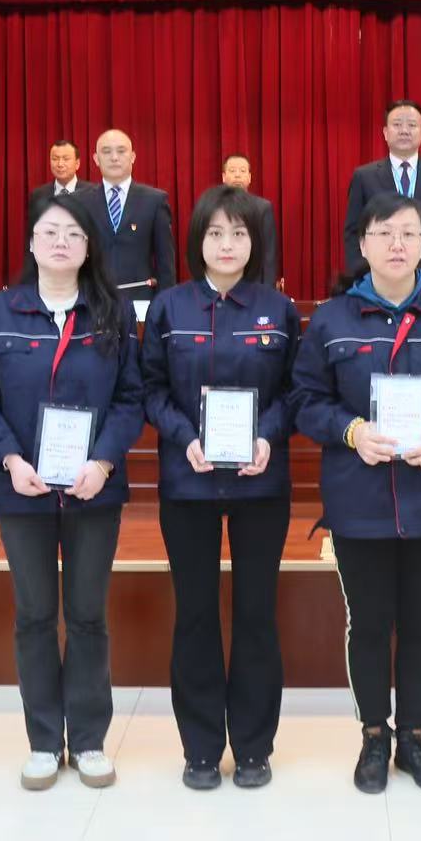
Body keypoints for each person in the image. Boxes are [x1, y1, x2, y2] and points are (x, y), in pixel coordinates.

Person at [290, 193, 421, 795]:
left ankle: (415, 737)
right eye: (384, 233)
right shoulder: (332, 319)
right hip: (359, 497)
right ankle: (374, 735)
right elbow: (305, 400)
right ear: (363, 244)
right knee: (370, 622)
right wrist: (350, 431)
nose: (397, 244)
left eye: (409, 233)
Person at [0, 195, 145, 791]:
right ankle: (43, 740)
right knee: (35, 615)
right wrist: (9, 459)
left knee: (87, 615)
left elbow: (131, 398)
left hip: (94, 489)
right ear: (32, 243)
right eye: (49, 232)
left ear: (89, 247)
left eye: (73, 234)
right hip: (23, 490)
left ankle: (87, 739)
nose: (60, 242)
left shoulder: (113, 312)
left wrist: (104, 460)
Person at [141, 186, 301, 790]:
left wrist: (267, 435)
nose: (227, 244)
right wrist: (184, 435)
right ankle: (202, 747)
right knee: (196, 614)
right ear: (197, 241)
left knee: (257, 613)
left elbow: (297, 391)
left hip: (261, 483)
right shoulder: (169, 308)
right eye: (215, 233)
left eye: (238, 233)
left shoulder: (278, 310)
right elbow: (150, 388)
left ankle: (255, 747)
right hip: (189, 483)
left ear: (254, 242)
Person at [341, 100, 421, 292]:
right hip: (378, 285)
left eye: (411, 125)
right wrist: (363, 276)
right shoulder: (364, 177)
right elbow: (353, 233)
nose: (404, 130)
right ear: (385, 133)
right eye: (397, 124)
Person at [75, 128, 176, 304]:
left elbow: (165, 262)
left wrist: (165, 306)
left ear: (133, 157)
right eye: (106, 151)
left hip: (141, 302)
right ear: (96, 159)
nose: (114, 157)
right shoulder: (79, 201)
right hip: (91, 301)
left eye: (121, 151)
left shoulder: (154, 200)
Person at [219, 153, 282, 286]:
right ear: (224, 177)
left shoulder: (262, 208)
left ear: (249, 177)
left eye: (242, 171)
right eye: (232, 171)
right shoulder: (213, 208)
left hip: (253, 285)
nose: (237, 175)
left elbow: (269, 255)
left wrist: (267, 291)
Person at [26, 139, 85, 222]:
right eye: (55, 159)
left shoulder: (92, 194)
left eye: (66, 159)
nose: (60, 164)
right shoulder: (38, 195)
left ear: (77, 163)